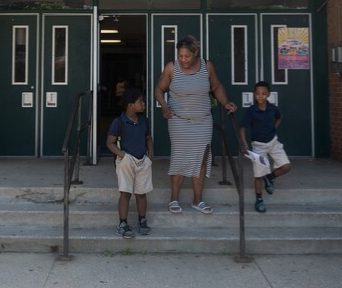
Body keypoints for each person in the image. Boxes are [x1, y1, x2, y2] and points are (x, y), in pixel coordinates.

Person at [154, 35, 237, 215]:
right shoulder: (171, 68)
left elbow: (216, 87)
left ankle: (197, 200)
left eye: (187, 56)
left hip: (203, 121)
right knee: (180, 157)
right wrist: (164, 105)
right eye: (180, 56)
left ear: (195, 53)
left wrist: (225, 103)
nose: (183, 60)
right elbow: (159, 89)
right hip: (179, 121)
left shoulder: (207, 66)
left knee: (202, 159)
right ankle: (174, 198)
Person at [106, 87, 154, 238]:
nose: (144, 104)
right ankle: (123, 224)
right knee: (125, 192)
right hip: (125, 160)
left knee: (141, 193)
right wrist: (123, 156)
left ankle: (142, 220)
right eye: (141, 101)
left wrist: (150, 155)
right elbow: (110, 143)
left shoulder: (144, 121)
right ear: (130, 105)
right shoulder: (119, 122)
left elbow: (148, 138)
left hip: (142, 160)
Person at [239, 80, 292, 213]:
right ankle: (259, 199)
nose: (260, 96)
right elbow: (242, 128)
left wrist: (274, 128)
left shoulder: (273, 109)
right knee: (258, 175)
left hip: (273, 143)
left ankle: (270, 177)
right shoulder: (251, 111)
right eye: (257, 93)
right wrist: (245, 144)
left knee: (286, 167)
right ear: (254, 95)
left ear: (268, 94)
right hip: (258, 147)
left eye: (263, 93)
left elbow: (280, 117)